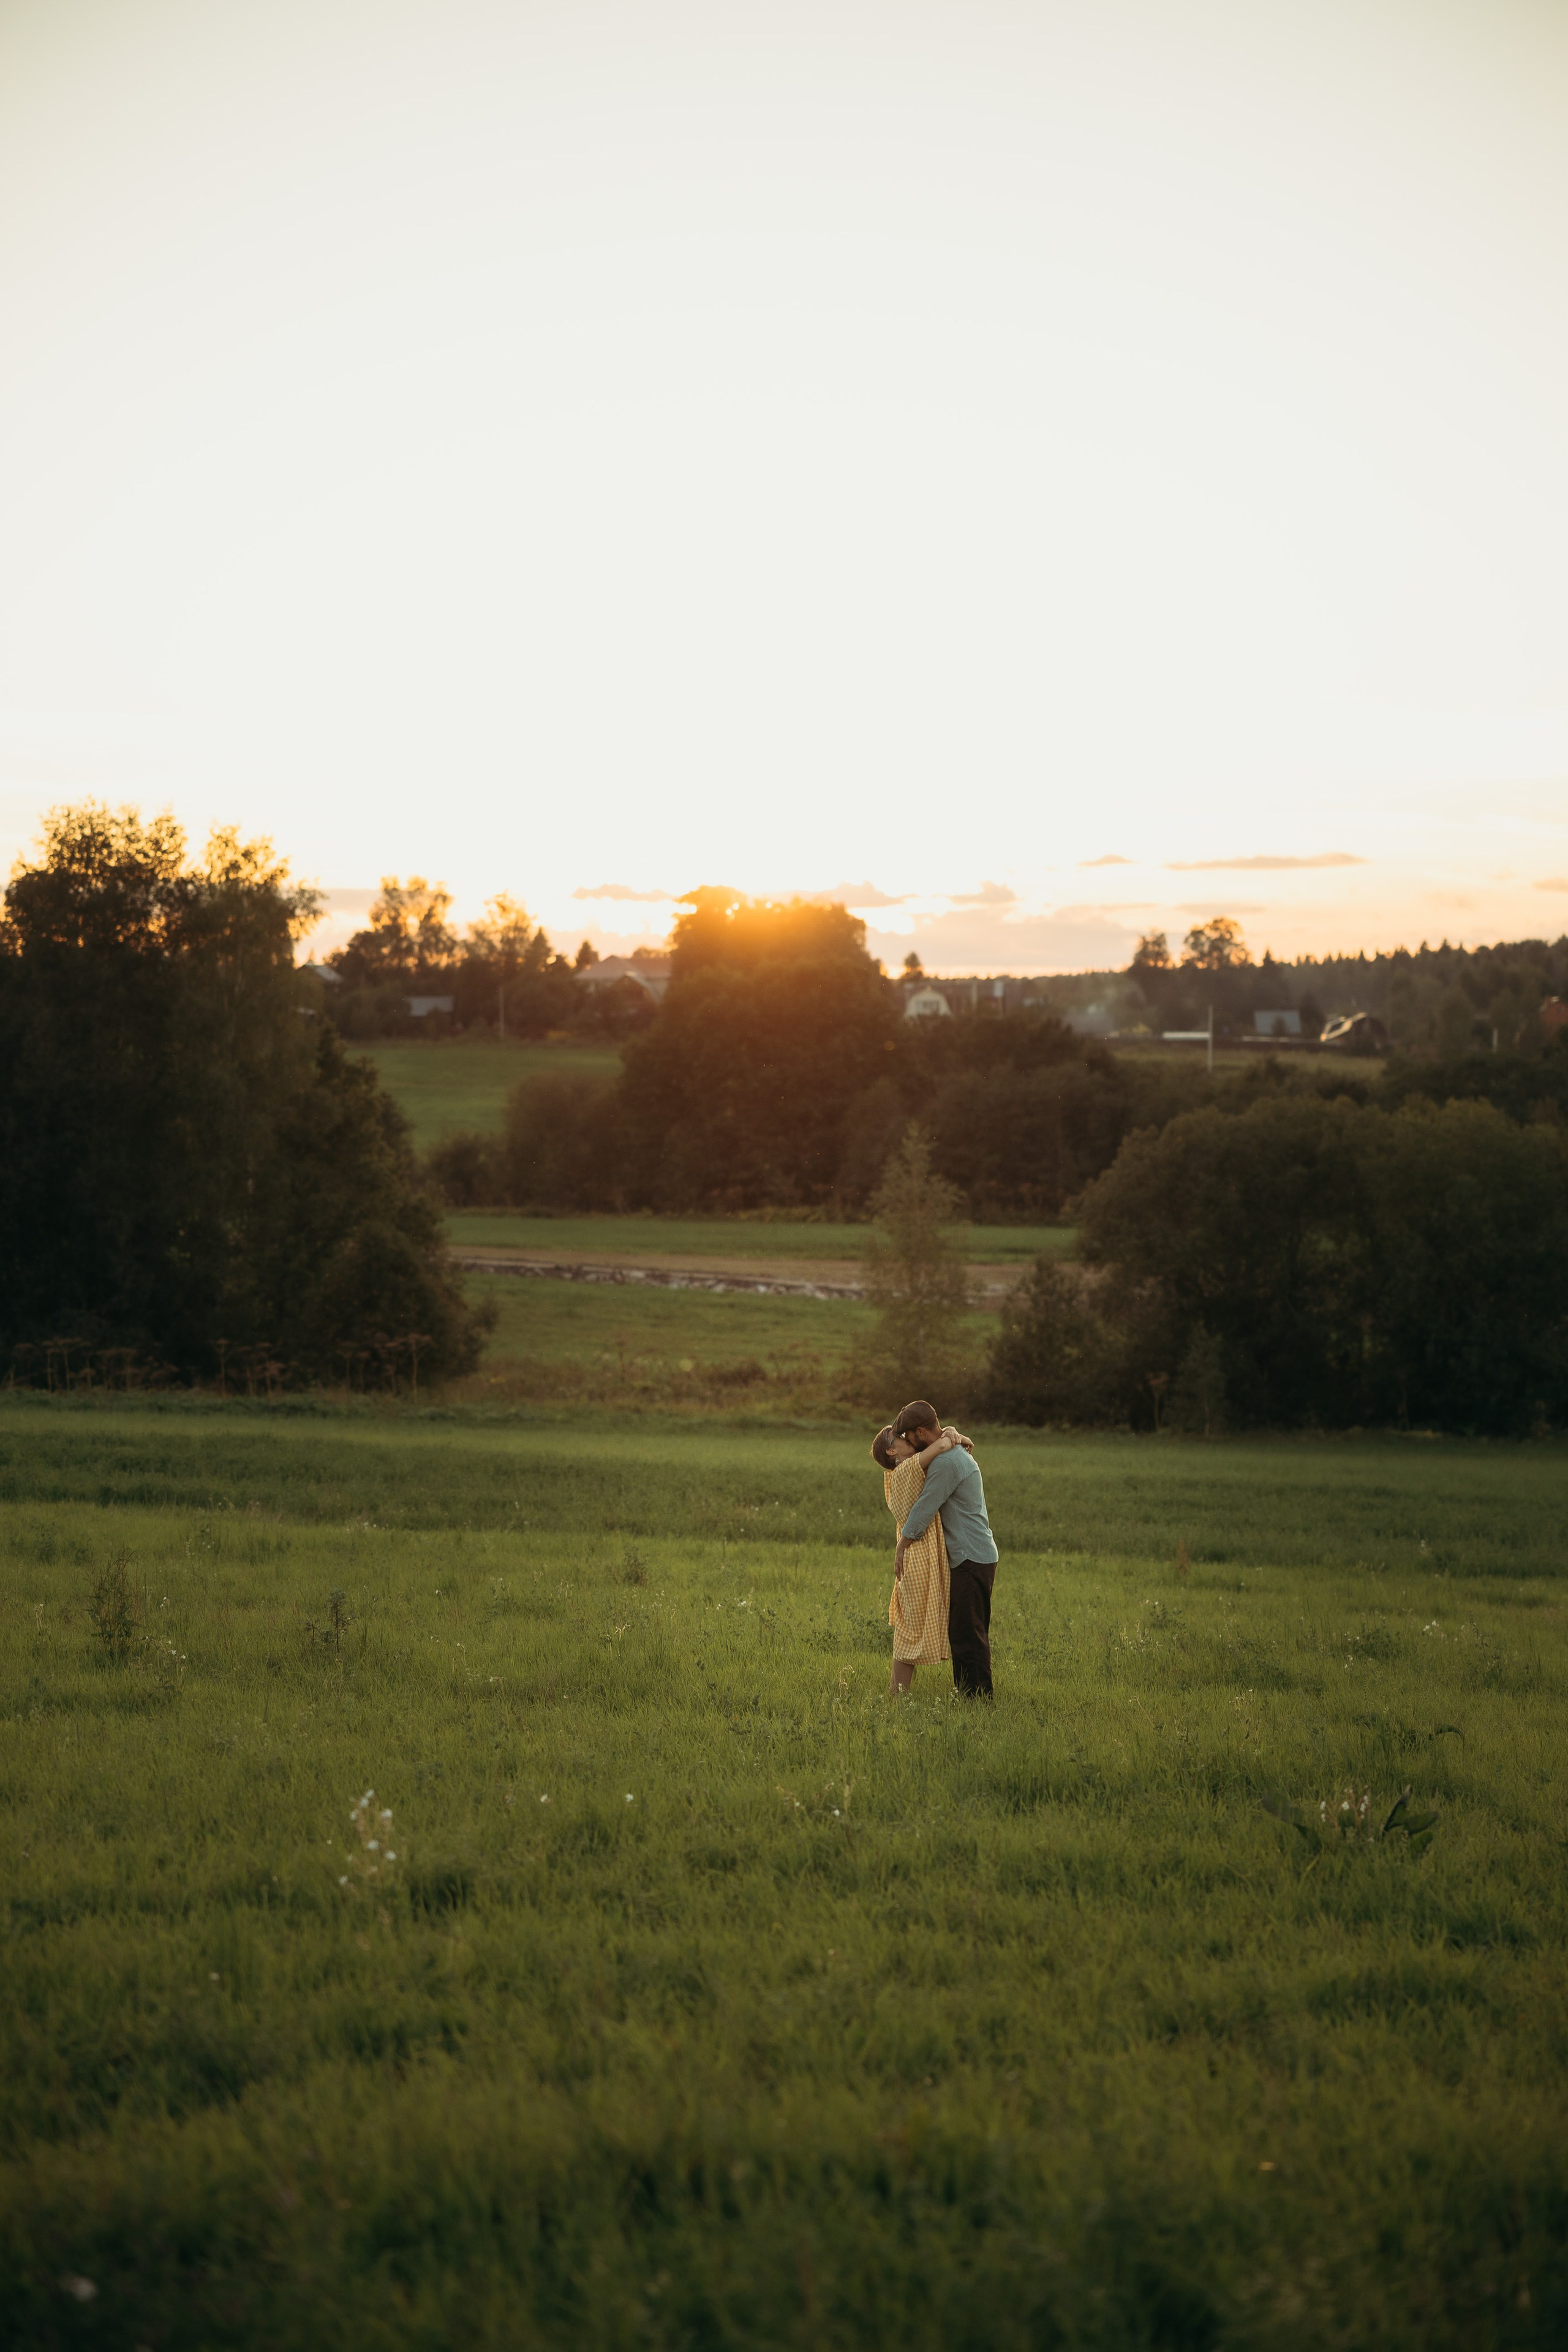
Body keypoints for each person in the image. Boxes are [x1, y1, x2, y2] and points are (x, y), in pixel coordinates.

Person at [891, 1399, 1000, 1698]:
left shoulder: (947, 1462)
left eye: (908, 1436)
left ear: (922, 1431)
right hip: (973, 1555)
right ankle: (970, 1697)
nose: (907, 1443)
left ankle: (978, 1700)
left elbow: (926, 1506)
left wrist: (903, 1543)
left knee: (970, 1634)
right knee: (964, 1631)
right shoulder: (949, 1451)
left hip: (971, 1557)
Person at [870, 1420, 969, 1695]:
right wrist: (953, 1432)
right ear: (892, 1452)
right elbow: (944, 1443)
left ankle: (897, 1694)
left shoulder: (898, 1474)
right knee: (910, 1629)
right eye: (898, 1437)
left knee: (911, 1626)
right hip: (918, 1559)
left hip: (919, 1556)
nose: (905, 1437)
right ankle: (896, 1694)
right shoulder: (907, 1470)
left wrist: (954, 1434)